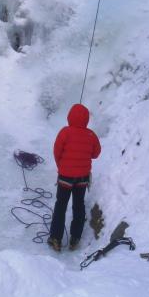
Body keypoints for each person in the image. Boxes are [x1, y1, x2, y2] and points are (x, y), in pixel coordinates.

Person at [47, 103, 101, 252]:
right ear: (87, 119)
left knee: (61, 206)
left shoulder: (65, 132)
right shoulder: (91, 135)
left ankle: (55, 238)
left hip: (65, 177)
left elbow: (57, 151)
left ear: (69, 116)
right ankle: (75, 238)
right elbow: (96, 154)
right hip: (82, 178)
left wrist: (61, 167)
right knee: (79, 206)